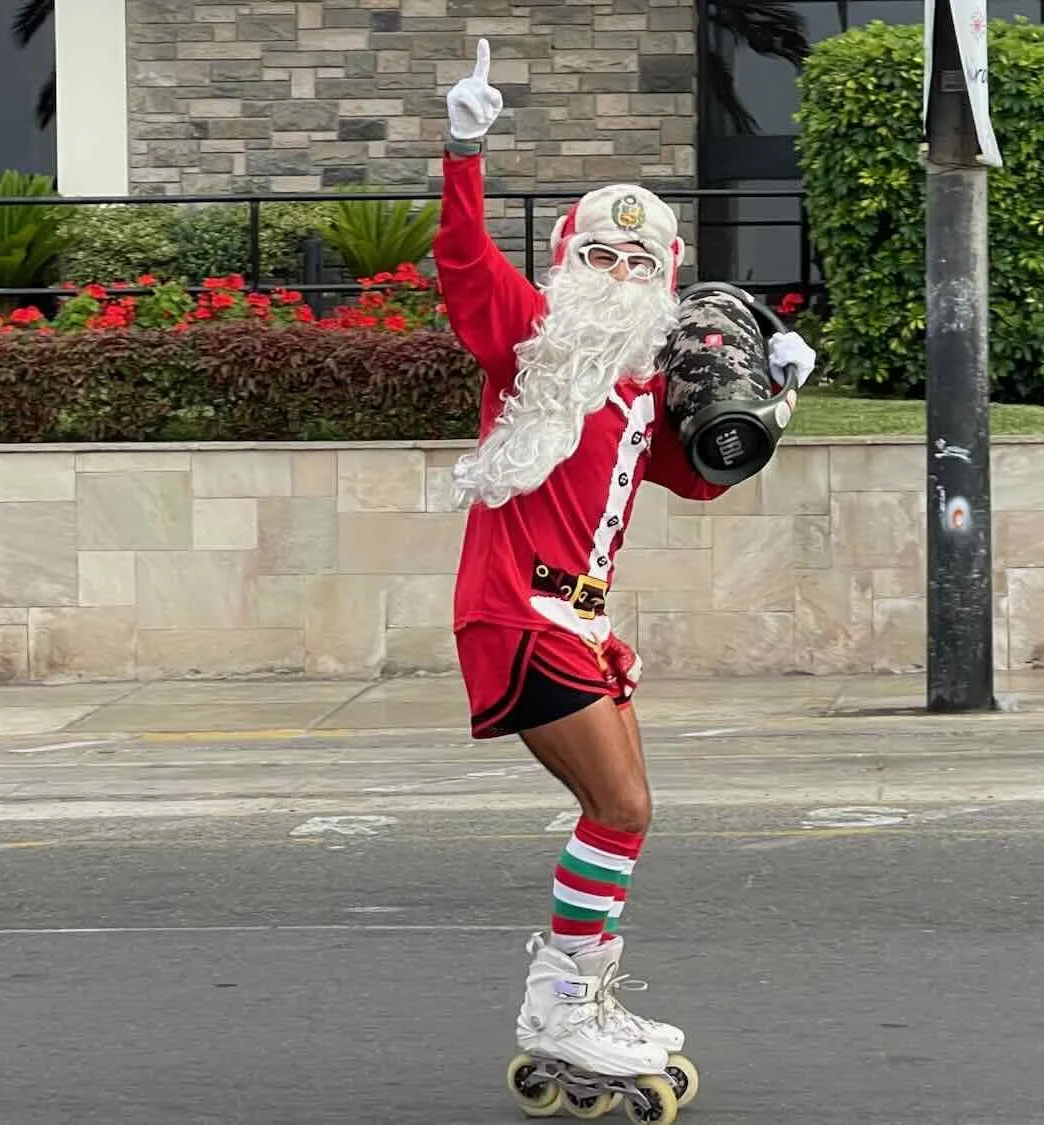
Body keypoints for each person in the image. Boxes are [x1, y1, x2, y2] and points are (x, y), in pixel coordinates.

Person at [434, 40, 817, 1083]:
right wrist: (464, 150)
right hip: (516, 613)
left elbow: (697, 478)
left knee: (623, 813)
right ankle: (561, 1005)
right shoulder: (531, 344)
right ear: (568, 263)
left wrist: (780, 397)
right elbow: (466, 267)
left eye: (642, 264)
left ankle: (577, 998)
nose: (621, 275)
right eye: (602, 255)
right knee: (623, 809)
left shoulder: (641, 393)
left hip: (579, 625)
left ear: (666, 284)